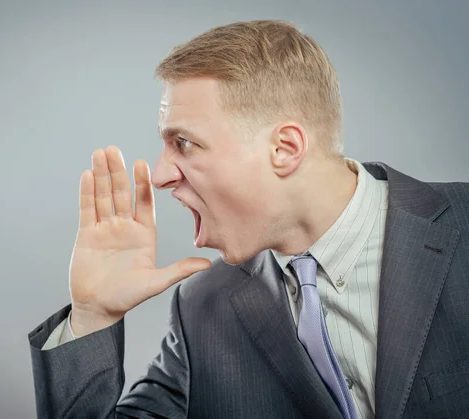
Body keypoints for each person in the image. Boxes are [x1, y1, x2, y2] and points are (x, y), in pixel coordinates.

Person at [28, 20, 469, 418]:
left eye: (184, 143)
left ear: (284, 149)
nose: (161, 175)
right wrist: (93, 316)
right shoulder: (202, 309)